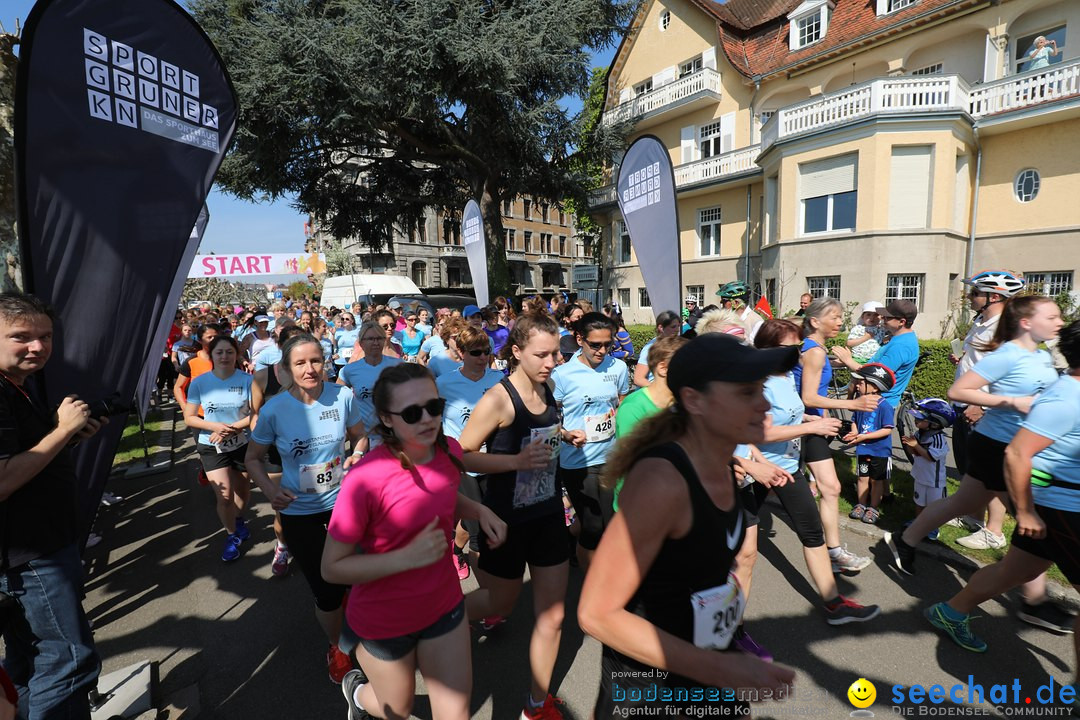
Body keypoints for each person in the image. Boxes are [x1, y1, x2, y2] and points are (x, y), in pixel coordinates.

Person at [578, 333, 797, 719]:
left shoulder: (721, 463)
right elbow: (597, 613)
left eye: (761, 389)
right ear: (694, 400)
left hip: (702, 667)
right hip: (649, 687)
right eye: (746, 392)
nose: (765, 404)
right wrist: (720, 668)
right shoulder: (662, 482)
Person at [323, 363, 507, 720]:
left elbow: (445, 494)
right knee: (398, 708)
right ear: (387, 419)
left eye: (434, 407)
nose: (427, 419)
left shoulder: (449, 450)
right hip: (383, 621)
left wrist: (480, 511)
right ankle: (358, 694)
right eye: (411, 413)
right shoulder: (366, 478)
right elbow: (331, 567)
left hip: (445, 607)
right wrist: (406, 558)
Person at [885, 296, 1073, 633]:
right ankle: (1034, 600)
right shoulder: (1008, 354)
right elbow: (958, 391)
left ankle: (906, 539)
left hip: (1018, 445)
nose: (1060, 322)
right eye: (1053, 316)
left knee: (965, 503)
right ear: (1027, 322)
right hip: (999, 447)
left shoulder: (1043, 355)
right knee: (1034, 517)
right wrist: (1010, 401)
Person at [924, 319, 1080, 654]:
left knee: (1014, 570)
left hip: (1054, 504)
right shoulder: (1068, 397)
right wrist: (1025, 512)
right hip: (1062, 505)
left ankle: (950, 611)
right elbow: (1017, 453)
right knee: (960, 502)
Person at [458, 312, 584, 720]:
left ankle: (535, 704)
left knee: (554, 614)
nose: (552, 362)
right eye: (542, 355)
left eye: (555, 354)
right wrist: (515, 462)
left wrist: (563, 435)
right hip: (507, 519)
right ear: (516, 352)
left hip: (547, 514)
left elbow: (541, 434)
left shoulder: (546, 390)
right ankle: (441, 617)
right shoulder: (498, 399)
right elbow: (461, 454)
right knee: (502, 602)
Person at [0, 292, 108, 719]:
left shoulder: (16, 387)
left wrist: (68, 435)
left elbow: (28, 458)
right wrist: (63, 431)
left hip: (36, 551)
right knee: (68, 662)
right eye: (20, 337)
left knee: (29, 660)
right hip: (32, 558)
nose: (38, 346)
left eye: (45, 336)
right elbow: (4, 479)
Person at [245, 333, 368, 684]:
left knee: (356, 578)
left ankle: (364, 629)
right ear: (285, 369)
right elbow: (252, 458)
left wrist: (357, 453)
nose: (310, 369)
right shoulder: (273, 410)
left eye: (316, 361)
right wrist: (270, 490)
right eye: (300, 363)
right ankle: (337, 646)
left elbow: (359, 435)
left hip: (344, 503)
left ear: (325, 362)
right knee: (327, 588)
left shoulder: (342, 396)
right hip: (300, 512)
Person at [792, 298, 877, 572]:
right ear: (815, 321)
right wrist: (853, 404)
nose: (841, 321)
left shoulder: (816, 349)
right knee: (765, 488)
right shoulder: (813, 351)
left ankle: (834, 552)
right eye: (835, 317)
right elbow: (808, 395)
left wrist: (842, 363)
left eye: (841, 316)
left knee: (831, 488)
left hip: (813, 424)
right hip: (800, 427)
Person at [948, 270, 1025, 547]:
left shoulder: (1004, 329)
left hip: (982, 409)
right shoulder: (982, 321)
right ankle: (974, 517)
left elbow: (1007, 374)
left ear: (994, 296)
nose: (970, 297)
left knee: (991, 472)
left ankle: (994, 532)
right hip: (965, 403)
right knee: (971, 468)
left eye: (975, 293)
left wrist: (978, 403)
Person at [552, 312, 629, 568]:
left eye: (608, 344)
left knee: (609, 520)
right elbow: (548, 416)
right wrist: (564, 434)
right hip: (577, 459)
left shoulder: (617, 367)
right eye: (595, 344)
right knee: (594, 524)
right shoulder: (562, 374)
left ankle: (586, 555)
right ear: (579, 339)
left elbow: (622, 403)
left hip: (611, 456)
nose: (602, 350)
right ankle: (591, 583)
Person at [436, 326, 504, 579]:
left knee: (486, 515)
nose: (483, 358)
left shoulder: (499, 380)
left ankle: (456, 547)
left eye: (487, 352)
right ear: (461, 353)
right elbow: (431, 421)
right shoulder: (444, 383)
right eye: (476, 352)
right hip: (462, 462)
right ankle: (487, 595)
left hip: (494, 461)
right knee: (478, 530)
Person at [183, 335, 254, 562]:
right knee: (223, 497)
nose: (224, 356)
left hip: (242, 442)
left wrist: (232, 429)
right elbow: (190, 418)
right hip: (211, 445)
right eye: (219, 352)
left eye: (229, 352)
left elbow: (255, 414)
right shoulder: (200, 382)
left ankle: (239, 519)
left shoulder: (247, 380)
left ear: (237, 354)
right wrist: (215, 426)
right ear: (211, 355)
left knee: (243, 491)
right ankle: (231, 535)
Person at [612, 336, 687, 511]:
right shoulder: (634, 407)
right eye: (687, 365)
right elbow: (633, 466)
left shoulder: (684, 402)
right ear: (663, 368)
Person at [832, 299, 920, 410]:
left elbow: (875, 375)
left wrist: (848, 360)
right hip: (874, 401)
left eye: (887, 317)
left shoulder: (902, 346)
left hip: (878, 404)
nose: (883, 320)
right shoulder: (898, 338)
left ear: (901, 322)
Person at [843, 363, 897, 525]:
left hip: (879, 451)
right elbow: (854, 421)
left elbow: (887, 429)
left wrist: (863, 436)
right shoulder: (861, 403)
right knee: (862, 478)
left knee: (876, 481)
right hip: (863, 449)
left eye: (861, 382)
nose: (857, 385)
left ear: (875, 387)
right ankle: (861, 504)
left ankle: (873, 507)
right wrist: (854, 432)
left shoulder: (884, 406)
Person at [338, 320, 404, 445]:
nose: (375, 342)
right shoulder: (350, 370)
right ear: (361, 343)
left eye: (379, 338)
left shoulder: (397, 365)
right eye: (370, 339)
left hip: (393, 434)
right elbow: (337, 397)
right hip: (364, 437)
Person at [900, 398, 956, 541]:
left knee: (933, 507)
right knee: (919, 503)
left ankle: (932, 529)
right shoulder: (919, 434)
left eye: (920, 419)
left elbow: (931, 457)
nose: (916, 421)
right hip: (920, 476)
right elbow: (913, 452)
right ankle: (919, 523)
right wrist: (909, 444)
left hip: (934, 481)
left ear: (935, 423)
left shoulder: (938, 439)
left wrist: (916, 445)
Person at [633, 310, 681, 388]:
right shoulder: (650, 348)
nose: (677, 329)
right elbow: (638, 379)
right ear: (661, 327)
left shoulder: (677, 344)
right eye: (673, 327)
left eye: (678, 326)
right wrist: (658, 391)